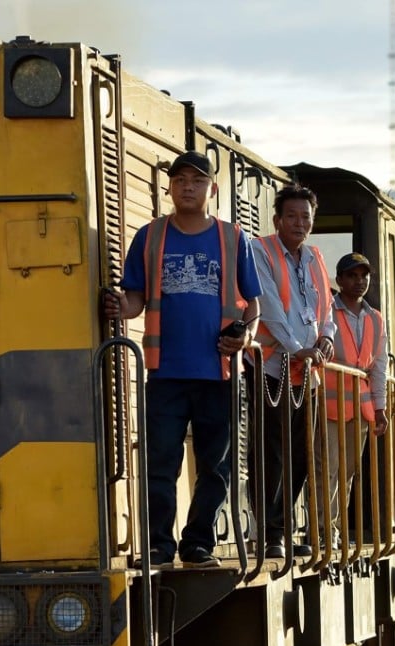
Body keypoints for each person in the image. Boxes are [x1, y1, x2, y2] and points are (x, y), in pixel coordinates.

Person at [105, 150, 262, 569]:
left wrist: (244, 334)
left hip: (220, 371)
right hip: (165, 371)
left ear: (212, 188)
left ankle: (198, 543)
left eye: (196, 180)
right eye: (179, 180)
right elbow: (136, 298)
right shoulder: (150, 236)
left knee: (216, 467)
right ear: (170, 187)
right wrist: (122, 306)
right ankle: (159, 545)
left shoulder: (234, 239)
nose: (187, 187)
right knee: (161, 463)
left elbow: (253, 305)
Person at [247, 184, 336, 559]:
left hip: (307, 371)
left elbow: (325, 310)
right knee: (271, 453)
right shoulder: (260, 250)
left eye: (306, 218)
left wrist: (326, 340)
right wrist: (294, 348)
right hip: (271, 366)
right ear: (277, 219)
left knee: (301, 453)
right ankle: (269, 532)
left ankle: (283, 527)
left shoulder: (315, 257)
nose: (300, 223)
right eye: (292, 216)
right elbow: (268, 306)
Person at [320, 252, 388, 547]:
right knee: (327, 467)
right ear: (340, 280)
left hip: (359, 408)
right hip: (327, 403)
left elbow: (379, 366)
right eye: (352, 275)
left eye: (364, 276)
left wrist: (380, 407)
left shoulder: (375, 319)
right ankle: (323, 529)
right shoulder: (326, 311)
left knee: (347, 472)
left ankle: (334, 528)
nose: (359, 281)